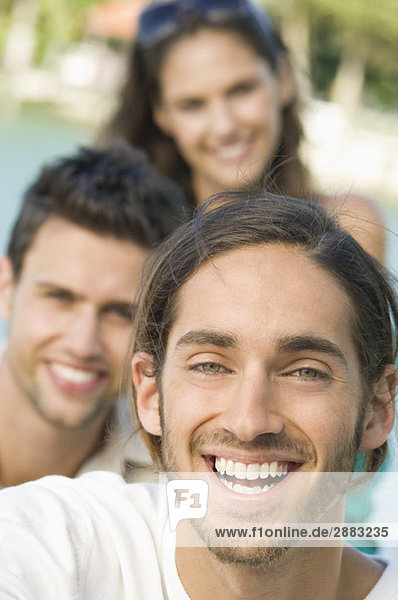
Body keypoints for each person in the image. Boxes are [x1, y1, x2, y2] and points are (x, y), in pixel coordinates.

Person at [0, 192, 396, 599]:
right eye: (210, 366)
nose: (248, 422)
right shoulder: (61, 541)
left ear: (377, 407)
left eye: (305, 372)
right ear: (150, 393)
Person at [99, 0, 386, 262]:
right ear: (160, 112)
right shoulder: (127, 242)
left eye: (241, 90)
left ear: (283, 77)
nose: (225, 126)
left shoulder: (350, 228)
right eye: (192, 105)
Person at [0, 142, 187, 488]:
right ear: (6, 288)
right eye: (60, 297)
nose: (83, 344)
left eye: (120, 313)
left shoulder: (167, 482)